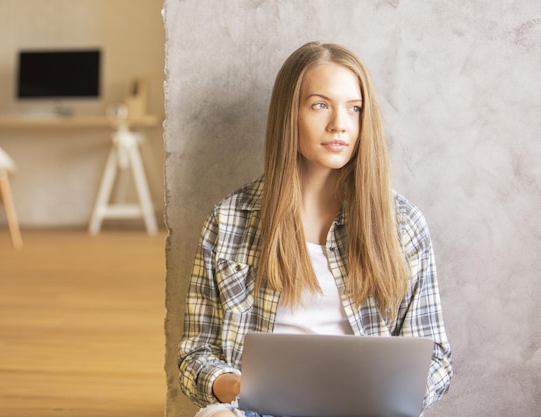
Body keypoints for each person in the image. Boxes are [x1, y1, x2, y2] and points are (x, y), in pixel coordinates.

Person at [178, 41, 452, 417]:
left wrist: (390, 398)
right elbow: (196, 352)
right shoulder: (229, 219)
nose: (339, 123)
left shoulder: (402, 223)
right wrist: (238, 386)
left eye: (354, 109)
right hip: (259, 410)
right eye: (320, 105)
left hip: (366, 410)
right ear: (290, 115)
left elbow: (435, 356)